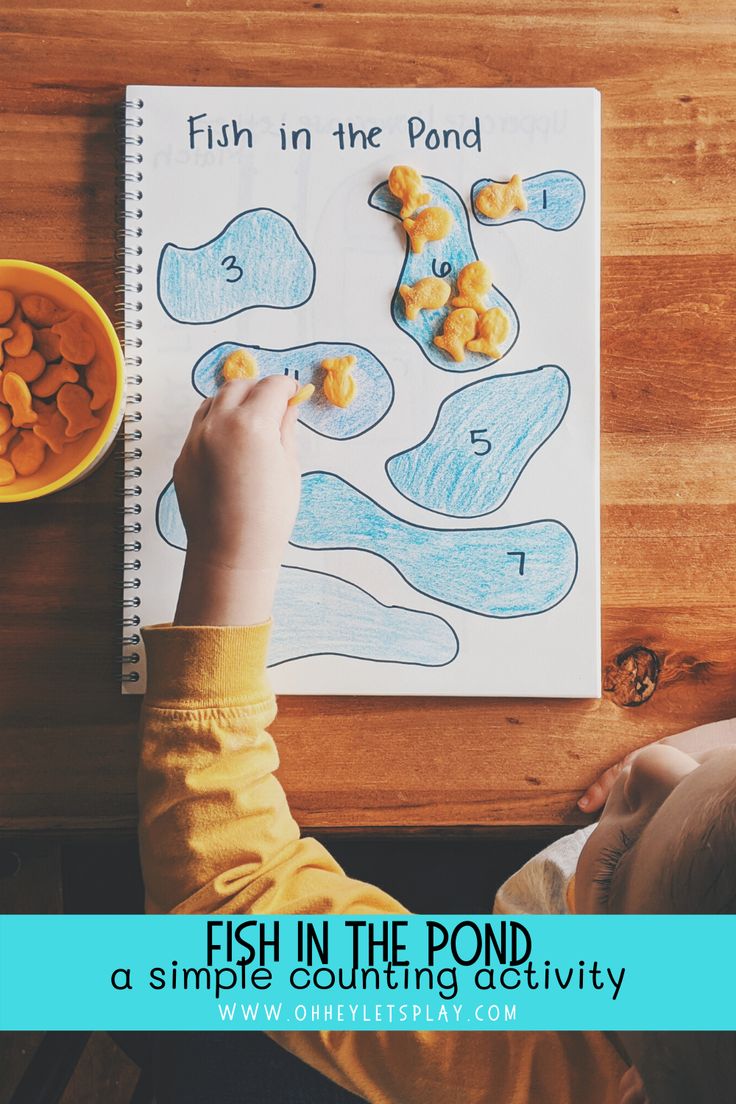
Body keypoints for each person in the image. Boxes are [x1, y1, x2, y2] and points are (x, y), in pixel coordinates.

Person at [138, 377, 736, 1104]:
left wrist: (230, 559)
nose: (658, 760)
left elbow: (233, 905)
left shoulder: (520, 1049)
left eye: (620, 869)